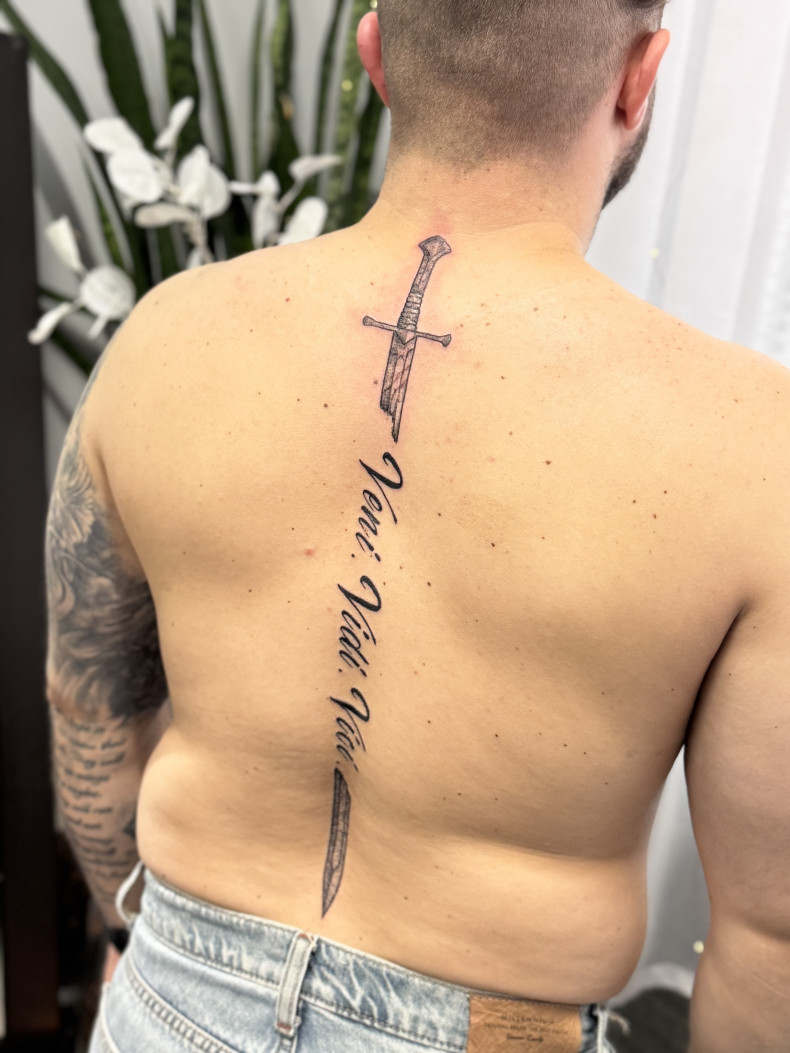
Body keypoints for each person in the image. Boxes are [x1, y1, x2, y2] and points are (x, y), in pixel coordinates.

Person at [43, 1, 790, 1051]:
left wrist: (137, 930)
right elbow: (769, 936)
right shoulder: (754, 444)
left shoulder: (161, 342)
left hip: (174, 997)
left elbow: (88, 706)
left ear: (376, 56)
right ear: (640, 76)